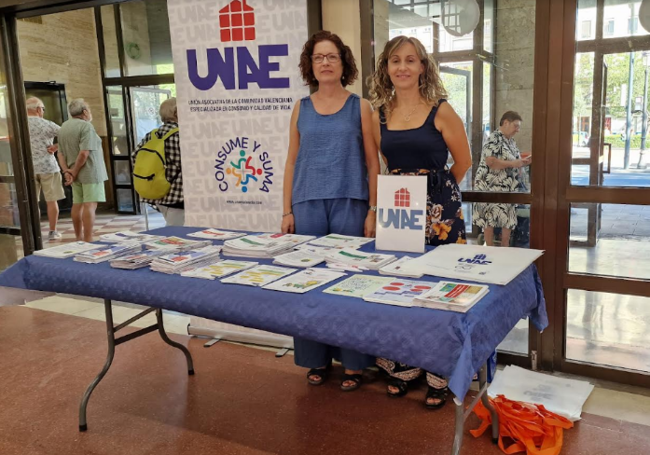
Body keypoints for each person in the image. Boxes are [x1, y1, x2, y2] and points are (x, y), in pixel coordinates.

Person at [369, 35, 472, 409]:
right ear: (386, 68)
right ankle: (403, 367)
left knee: (441, 292)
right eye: (395, 61)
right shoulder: (379, 114)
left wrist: (437, 196)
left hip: (440, 213)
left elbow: (463, 162)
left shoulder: (441, 110)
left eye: (410, 60)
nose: (402, 68)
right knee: (402, 287)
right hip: (398, 210)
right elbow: (381, 165)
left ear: (423, 67)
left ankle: (440, 373)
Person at [281, 30, 380, 392]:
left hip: (350, 200)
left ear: (343, 63)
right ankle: (315, 359)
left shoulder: (361, 106)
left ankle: (354, 363)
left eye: (331, 56)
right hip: (307, 202)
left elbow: (373, 162)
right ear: (310, 64)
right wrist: (286, 209)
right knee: (308, 284)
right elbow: (291, 162)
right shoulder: (301, 107)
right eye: (318, 57)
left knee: (349, 282)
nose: (325, 62)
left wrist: (373, 208)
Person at [473, 111, 532, 247]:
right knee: (489, 220)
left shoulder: (510, 141)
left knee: (508, 220)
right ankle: (490, 249)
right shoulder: (494, 138)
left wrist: (523, 162)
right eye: (516, 126)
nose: (518, 130)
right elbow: (491, 162)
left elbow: (514, 160)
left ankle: (505, 248)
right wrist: (513, 164)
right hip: (490, 186)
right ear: (506, 122)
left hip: (507, 187)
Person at [57, 99, 108, 242]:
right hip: (90, 172)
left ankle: (78, 237)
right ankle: (88, 239)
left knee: (77, 204)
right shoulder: (86, 127)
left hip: (74, 175)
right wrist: (74, 170)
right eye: (89, 110)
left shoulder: (64, 127)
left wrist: (67, 171)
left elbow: (60, 153)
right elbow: (84, 153)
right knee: (90, 205)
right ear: (85, 112)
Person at [132, 98, 184, 226]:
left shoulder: (152, 135)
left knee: (172, 229)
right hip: (178, 196)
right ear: (177, 113)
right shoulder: (182, 136)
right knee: (176, 236)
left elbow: (135, 157)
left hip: (158, 194)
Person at [26, 97, 64, 241]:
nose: (43, 111)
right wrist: (55, 147)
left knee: (31, 201)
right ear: (37, 109)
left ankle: (33, 231)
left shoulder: (20, 125)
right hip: (48, 166)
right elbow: (68, 136)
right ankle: (53, 231)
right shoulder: (47, 124)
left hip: (28, 168)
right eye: (42, 108)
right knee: (51, 200)